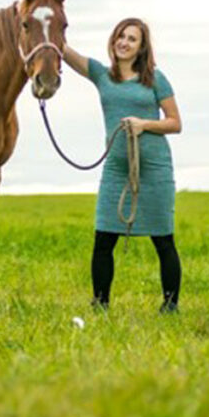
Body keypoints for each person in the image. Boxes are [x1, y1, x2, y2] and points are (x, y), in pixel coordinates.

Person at [63, 17, 183, 312]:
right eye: (120, 36)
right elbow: (62, 50)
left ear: (142, 47)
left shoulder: (155, 78)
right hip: (116, 170)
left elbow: (175, 123)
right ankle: (100, 304)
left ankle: (170, 306)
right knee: (103, 239)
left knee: (163, 240)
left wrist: (144, 124)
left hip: (155, 170)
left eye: (132, 39)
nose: (124, 42)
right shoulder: (101, 75)